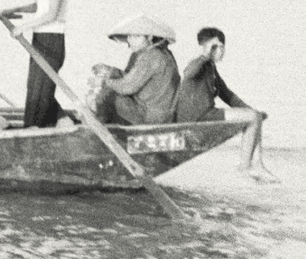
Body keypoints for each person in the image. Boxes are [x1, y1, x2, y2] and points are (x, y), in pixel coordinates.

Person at [175, 27, 276, 181]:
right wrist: (205, 55)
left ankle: (257, 165)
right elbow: (188, 73)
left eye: (222, 47)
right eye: (215, 47)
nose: (221, 51)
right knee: (253, 117)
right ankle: (245, 167)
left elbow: (227, 95)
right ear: (205, 47)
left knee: (255, 117)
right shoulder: (198, 63)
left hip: (206, 114)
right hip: (196, 117)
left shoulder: (211, 68)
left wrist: (250, 110)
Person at [0, 0, 68, 128]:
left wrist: (23, 27)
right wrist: (13, 10)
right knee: (35, 87)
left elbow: (52, 14)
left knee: (42, 89)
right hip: (40, 38)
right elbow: (38, 6)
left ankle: (39, 128)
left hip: (53, 40)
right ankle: (63, 121)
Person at [98, 14, 180, 125]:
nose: (129, 40)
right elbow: (134, 78)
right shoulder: (163, 54)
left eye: (136, 36)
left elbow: (127, 87)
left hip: (151, 117)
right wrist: (111, 71)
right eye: (129, 36)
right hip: (164, 116)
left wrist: (105, 82)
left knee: (106, 94)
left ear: (149, 37)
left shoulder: (151, 56)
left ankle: (99, 130)